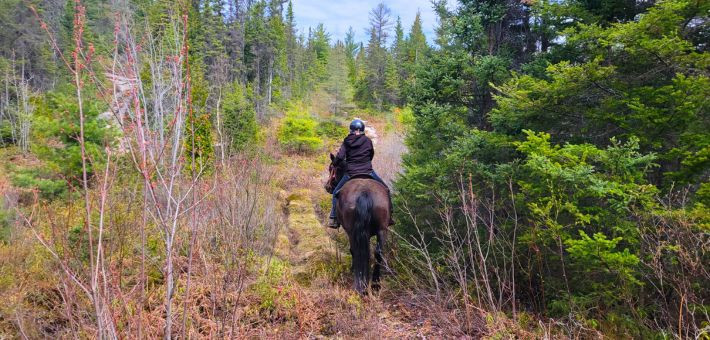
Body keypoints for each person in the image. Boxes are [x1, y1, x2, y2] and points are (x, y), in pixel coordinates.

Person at [328, 119, 394, 228]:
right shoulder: (367, 141)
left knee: (336, 193)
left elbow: (340, 157)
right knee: (386, 189)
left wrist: (335, 163)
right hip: (368, 171)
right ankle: (389, 216)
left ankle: (334, 218)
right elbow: (371, 154)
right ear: (362, 130)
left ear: (351, 130)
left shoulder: (347, 141)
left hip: (351, 173)